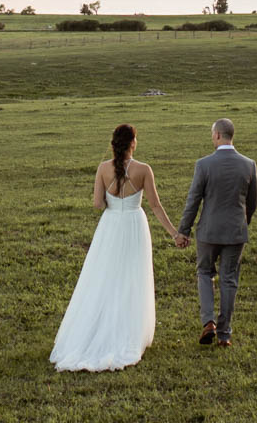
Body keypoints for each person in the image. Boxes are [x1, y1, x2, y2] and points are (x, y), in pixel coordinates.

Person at [50, 123, 187, 372]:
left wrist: (111, 197)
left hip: (110, 227)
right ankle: (128, 330)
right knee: (132, 278)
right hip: (134, 224)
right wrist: (175, 234)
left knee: (104, 276)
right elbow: (155, 205)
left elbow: (97, 204)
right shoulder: (144, 170)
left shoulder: (103, 169)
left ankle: (98, 329)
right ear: (132, 143)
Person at [178, 118, 257, 349]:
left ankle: (209, 321)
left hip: (208, 231)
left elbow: (193, 200)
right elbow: (253, 201)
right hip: (235, 231)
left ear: (217, 136)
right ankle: (224, 334)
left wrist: (183, 230)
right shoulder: (249, 164)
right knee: (229, 279)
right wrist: (243, 222)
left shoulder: (204, 165)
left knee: (204, 273)